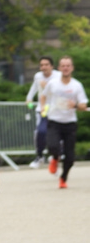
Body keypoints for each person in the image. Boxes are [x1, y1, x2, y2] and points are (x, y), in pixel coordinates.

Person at [41, 56, 88, 189]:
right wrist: (43, 106)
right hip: (54, 121)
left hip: (70, 123)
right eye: (63, 65)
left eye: (68, 65)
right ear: (59, 68)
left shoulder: (76, 85)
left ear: (72, 68)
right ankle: (55, 158)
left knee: (70, 156)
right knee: (53, 146)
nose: (66, 68)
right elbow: (43, 95)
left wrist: (76, 105)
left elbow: (84, 104)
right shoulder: (53, 83)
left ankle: (63, 178)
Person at [25, 56, 60, 168]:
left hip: (55, 110)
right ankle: (39, 157)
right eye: (41, 65)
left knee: (56, 134)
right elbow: (34, 89)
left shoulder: (58, 76)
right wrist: (29, 98)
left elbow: (59, 93)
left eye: (46, 65)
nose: (43, 67)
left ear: (52, 66)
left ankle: (56, 155)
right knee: (41, 132)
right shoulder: (38, 76)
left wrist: (47, 87)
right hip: (42, 110)